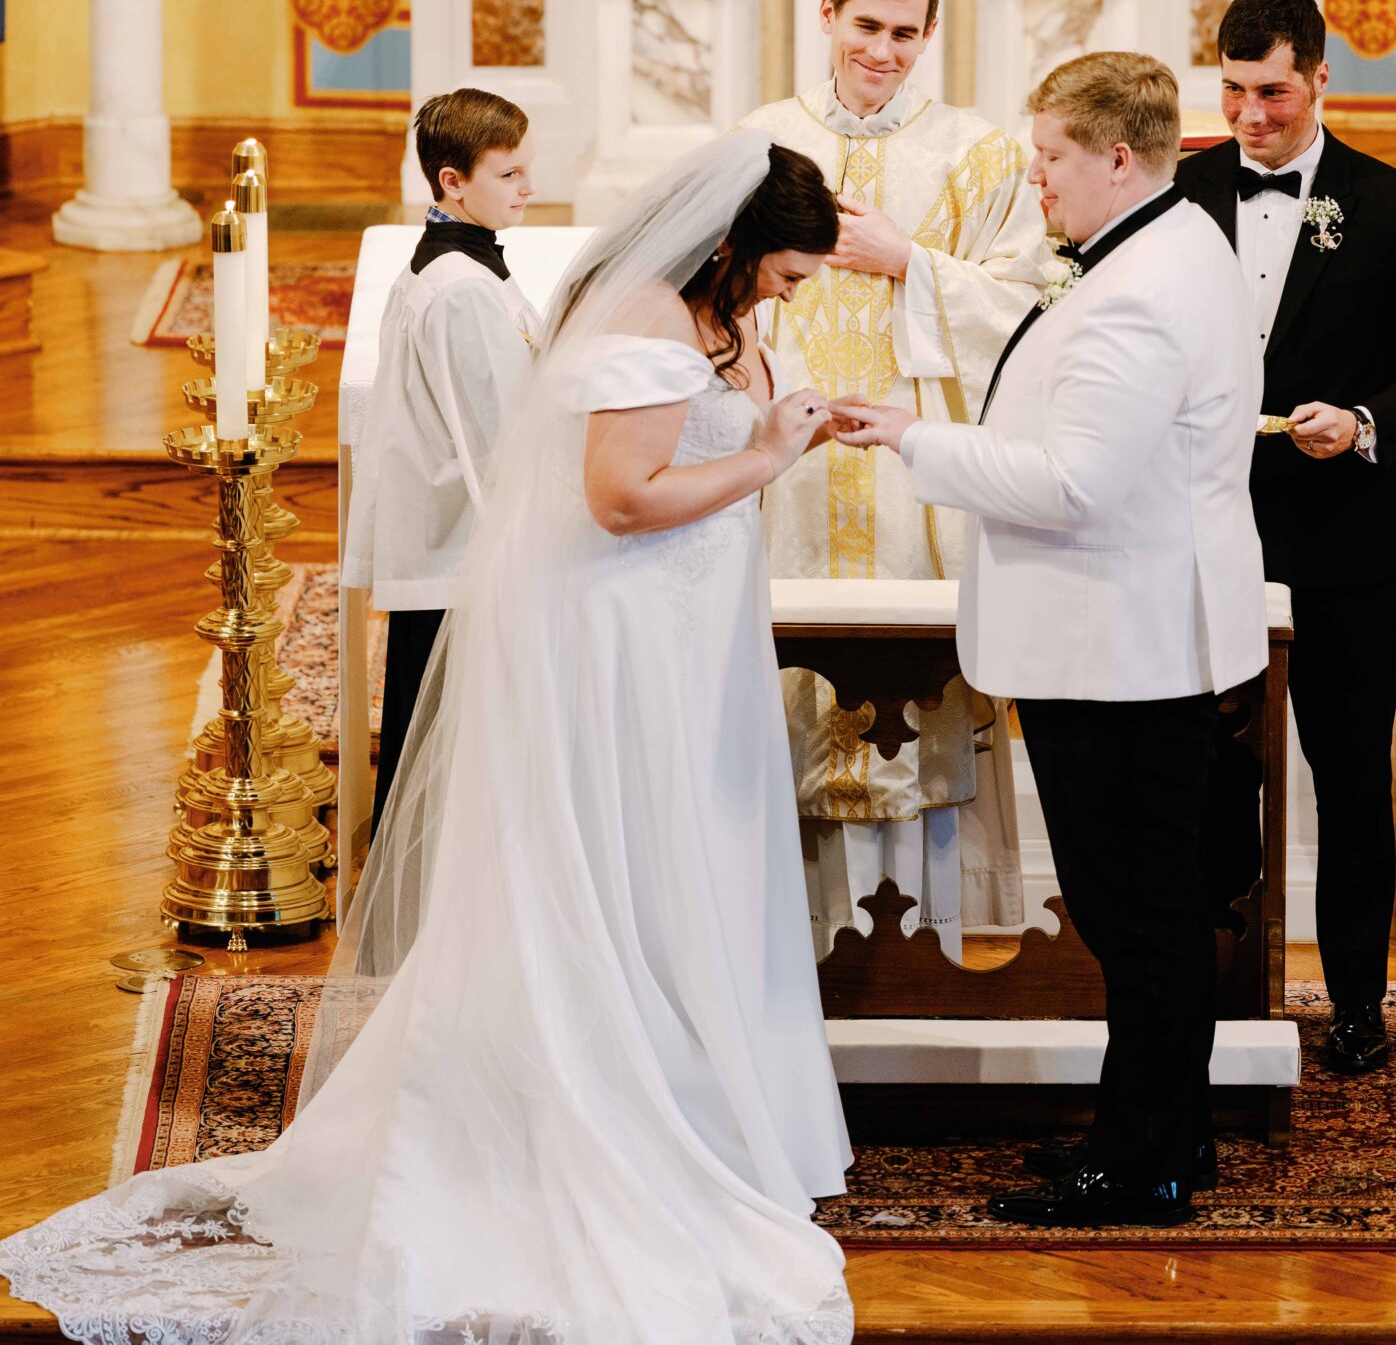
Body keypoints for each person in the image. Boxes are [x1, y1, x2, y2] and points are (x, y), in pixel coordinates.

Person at [0, 133, 856, 1345]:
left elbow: (698, 446)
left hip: (691, 627)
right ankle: (601, 1101)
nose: (792, 296)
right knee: (618, 858)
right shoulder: (647, 317)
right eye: (789, 274)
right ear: (729, 243)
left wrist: (782, 426)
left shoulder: (711, 309)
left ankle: (700, 1087)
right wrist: (769, 451)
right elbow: (621, 499)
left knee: (685, 857)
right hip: (626, 635)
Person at [838, 53, 1267, 1228]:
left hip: (1118, 647)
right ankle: (1164, 1128)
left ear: (1118, 158)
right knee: (1150, 909)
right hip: (1134, 634)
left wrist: (910, 440)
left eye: (1052, 159)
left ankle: (1141, 1163)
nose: (1038, 183)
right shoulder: (1171, 246)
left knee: (1136, 914)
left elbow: (1075, 484)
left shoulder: (1141, 288)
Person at [1175, 0, 1396, 1075]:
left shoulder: (1394, 206)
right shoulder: (1181, 191)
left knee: (1348, 775)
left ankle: (1356, 1003)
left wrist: (1362, 423)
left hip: (1340, 537)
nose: (1251, 116)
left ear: (1320, 79)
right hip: (1203, 531)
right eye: (1234, 92)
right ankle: (1205, 993)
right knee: (1207, 769)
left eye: (1274, 93)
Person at [742, 0, 1051, 957]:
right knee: (794, 693)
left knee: (917, 700)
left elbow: (1022, 312)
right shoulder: (760, 144)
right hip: (789, 472)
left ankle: (933, 944)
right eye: (866, 26)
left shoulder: (980, 151)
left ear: (932, 30)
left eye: (906, 33)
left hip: (917, 482)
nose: (883, 51)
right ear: (827, 13)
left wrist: (906, 261)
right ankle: (797, 949)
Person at [342, 87, 539, 833]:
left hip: (454, 544)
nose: (528, 188)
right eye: (510, 174)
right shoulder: (460, 291)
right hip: (465, 551)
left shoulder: (461, 265)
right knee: (447, 749)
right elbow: (501, 436)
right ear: (452, 181)